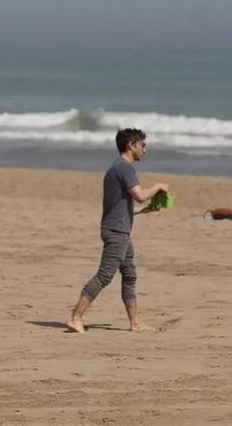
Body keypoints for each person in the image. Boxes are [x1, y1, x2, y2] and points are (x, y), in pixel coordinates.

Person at [66, 128, 168, 333]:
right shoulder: (124, 168)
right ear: (131, 145)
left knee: (129, 274)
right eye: (142, 145)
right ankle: (75, 317)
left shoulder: (117, 168)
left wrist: (143, 211)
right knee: (105, 276)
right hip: (116, 232)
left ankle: (135, 322)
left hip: (119, 230)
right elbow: (139, 195)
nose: (145, 150)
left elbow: (121, 206)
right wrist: (157, 186)